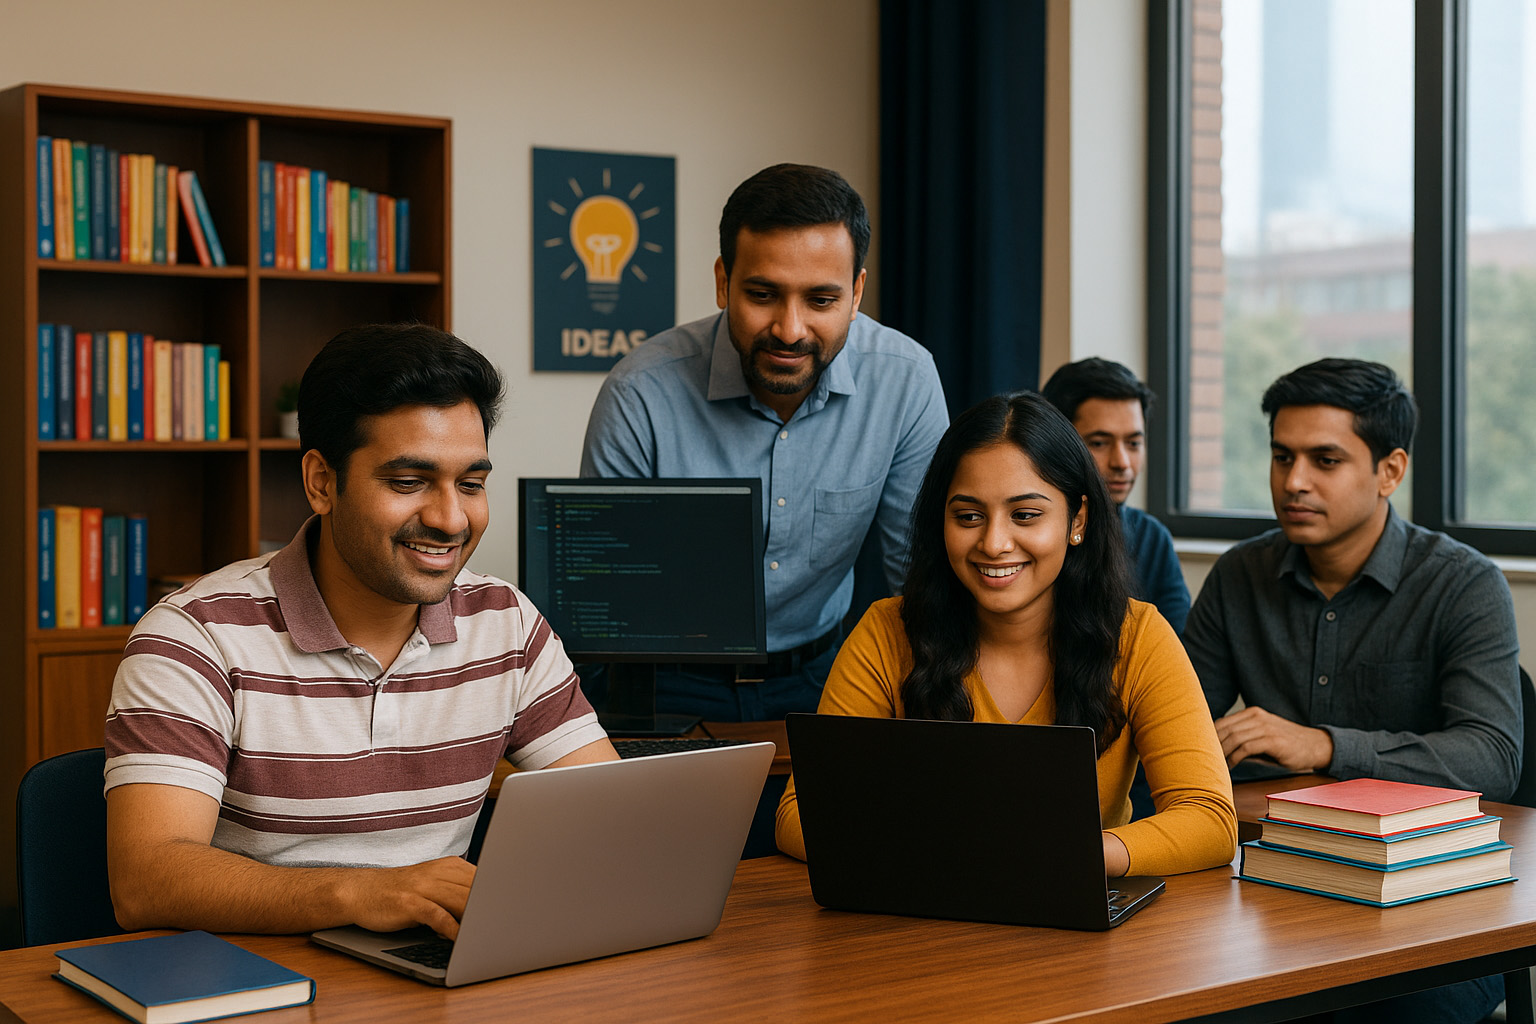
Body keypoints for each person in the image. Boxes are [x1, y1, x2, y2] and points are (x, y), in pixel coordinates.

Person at [104, 324, 618, 940]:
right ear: (322, 482)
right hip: (262, 986)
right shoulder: (194, 636)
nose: (450, 518)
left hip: (435, 972)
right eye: (408, 483)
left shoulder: (504, 622)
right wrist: (363, 891)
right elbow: (145, 880)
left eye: (472, 484)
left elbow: (609, 813)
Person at [1184, 357, 1521, 1024]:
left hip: (1431, 909)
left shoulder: (1464, 585)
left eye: (1325, 460)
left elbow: (1492, 758)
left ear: (1390, 470)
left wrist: (1321, 746)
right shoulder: (1239, 575)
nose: (1293, 482)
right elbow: (1176, 726)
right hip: (1270, 886)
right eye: (1282, 457)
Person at [775, 392, 1237, 876]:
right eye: (969, 516)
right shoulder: (888, 631)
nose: (994, 543)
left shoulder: (1139, 636)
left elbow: (1209, 820)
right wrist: (957, 853)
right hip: (919, 918)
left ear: (1077, 520)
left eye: (1025, 515)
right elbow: (798, 815)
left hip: (1079, 918)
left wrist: (1060, 855)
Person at [580, 163, 949, 722]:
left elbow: (919, 572)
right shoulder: (640, 390)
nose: (790, 329)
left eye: (821, 300)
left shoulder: (907, 379)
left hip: (826, 674)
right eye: (763, 294)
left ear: (857, 292)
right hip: (668, 681)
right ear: (724, 281)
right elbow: (604, 593)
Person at [1041, 357, 1189, 634]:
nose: (1122, 462)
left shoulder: (1152, 539)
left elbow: (1176, 652)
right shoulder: (1028, 533)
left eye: (1134, 443)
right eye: (1099, 443)